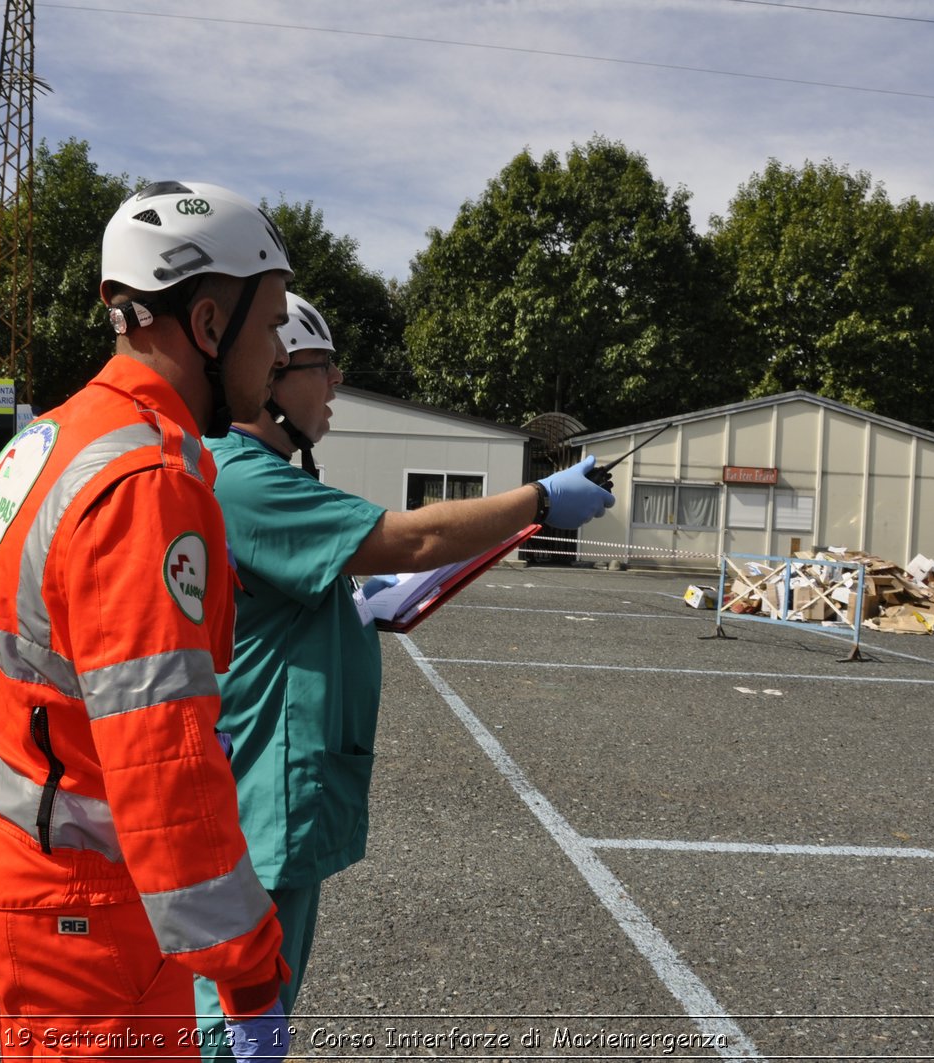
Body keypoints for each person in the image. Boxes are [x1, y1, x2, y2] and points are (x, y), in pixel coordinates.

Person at [192, 292, 616, 1055]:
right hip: (262, 791)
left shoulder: (250, 473)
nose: (335, 389)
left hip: (273, 784)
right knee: (234, 1018)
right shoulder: (242, 478)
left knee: (258, 1001)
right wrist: (541, 499)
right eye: (325, 371)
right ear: (276, 371)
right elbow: (410, 540)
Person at [0, 181, 298, 1060]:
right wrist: (249, 969)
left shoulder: (57, 438)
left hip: (21, 856)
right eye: (272, 326)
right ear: (211, 325)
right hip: (83, 900)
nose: (280, 353)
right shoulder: (148, 483)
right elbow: (163, 757)